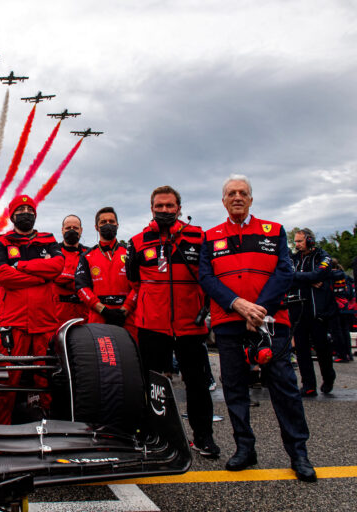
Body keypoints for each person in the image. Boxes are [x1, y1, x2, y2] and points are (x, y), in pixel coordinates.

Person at [200, 174, 316, 481]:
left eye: (243, 193)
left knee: (285, 390)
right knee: (235, 389)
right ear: (223, 200)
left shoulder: (274, 230)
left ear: (251, 199)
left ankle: (299, 454)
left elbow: (284, 271)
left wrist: (259, 308)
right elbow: (207, 278)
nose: (237, 197)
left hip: (270, 322)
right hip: (228, 322)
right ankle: (245, 449)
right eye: (231, 193)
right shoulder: (210, 237)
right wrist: (238, 304)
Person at [126, 186, 219, 459]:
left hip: (190, 324)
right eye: (159, 206)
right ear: (151, 208)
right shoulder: (137, 241)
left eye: (170, 206)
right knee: (151, 384)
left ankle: (203, 438)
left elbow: (210, 275)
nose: (164, 210)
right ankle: (153, 435)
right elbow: (133, 280)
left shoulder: (198, 237)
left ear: (179, 207)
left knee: (198, 384)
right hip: (152, 324)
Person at [0, 194, 64, 424]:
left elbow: (58, 266)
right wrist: (40, 278)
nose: (25, 214)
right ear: (12, 215)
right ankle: (1, 427)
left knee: (46, 377)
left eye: (29, 210)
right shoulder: (1, 242)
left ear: (35, 214)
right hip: (14, 322)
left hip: (45, 321)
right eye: (20, 210)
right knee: (8, 378)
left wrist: (21, 266)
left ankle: (48, 424)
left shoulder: (48, 239)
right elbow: (0, 274)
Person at [289, 228, 337, 396]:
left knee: (322, 348)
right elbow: (287, 277)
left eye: (300, 241)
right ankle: (308, 385)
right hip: (298, 311)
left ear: (309, 240)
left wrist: (301, 278)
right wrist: (309, 281)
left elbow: (320, 273)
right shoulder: (293, 259)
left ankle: (328, 377)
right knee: (301, 351)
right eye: (295, 241)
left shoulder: (323, 257)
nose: (297, 245)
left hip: (319, 312)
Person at [75, 207, 136, 327]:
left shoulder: (129, 252)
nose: (108, 224)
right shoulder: (87, 256)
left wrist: (126, 308)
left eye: (111, 222)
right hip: (98, 316)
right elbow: (82, 288)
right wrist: (103, 310)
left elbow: (138, 284)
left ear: (117, 225)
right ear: (96, 227)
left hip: (127, 317)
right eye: (103, 222)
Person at [53, 214, 89, 325]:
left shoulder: (89, 254)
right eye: (68, 228)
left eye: (75, 228)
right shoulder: (53, 251)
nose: (72, 231)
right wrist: (78, 281)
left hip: (83, 315)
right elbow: (52, 276)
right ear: (62, 230)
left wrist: (65, 279)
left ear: (81, 230)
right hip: (57, 313)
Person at [330, 259, 354, 362]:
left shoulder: (329, 276)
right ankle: (349, 354)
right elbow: (350, 291)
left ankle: (341, 355)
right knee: (345, 330)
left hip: (335, 306)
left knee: (336, 331)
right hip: (346, 306)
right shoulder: (345, 276)